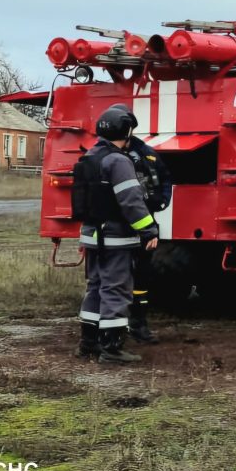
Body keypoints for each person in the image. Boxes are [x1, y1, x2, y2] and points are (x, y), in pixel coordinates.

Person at [75, 106, 159, 363]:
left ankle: (88, 343)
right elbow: (131, 201)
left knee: (96, 288)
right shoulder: (119, 161)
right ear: (127, 131)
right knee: (116, 289)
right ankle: (111, 348)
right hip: (114, 238)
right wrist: (148, 230)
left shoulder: (91, 156)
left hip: (92, 236)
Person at [107, 103, 173, 344]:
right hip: (117, 227)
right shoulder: (109, 157)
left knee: (142, 277)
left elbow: (164, 176)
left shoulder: (146, 152)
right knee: (115, 278)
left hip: (145, 224)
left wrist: (163, 201)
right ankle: (112, 330)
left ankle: (139, 324)